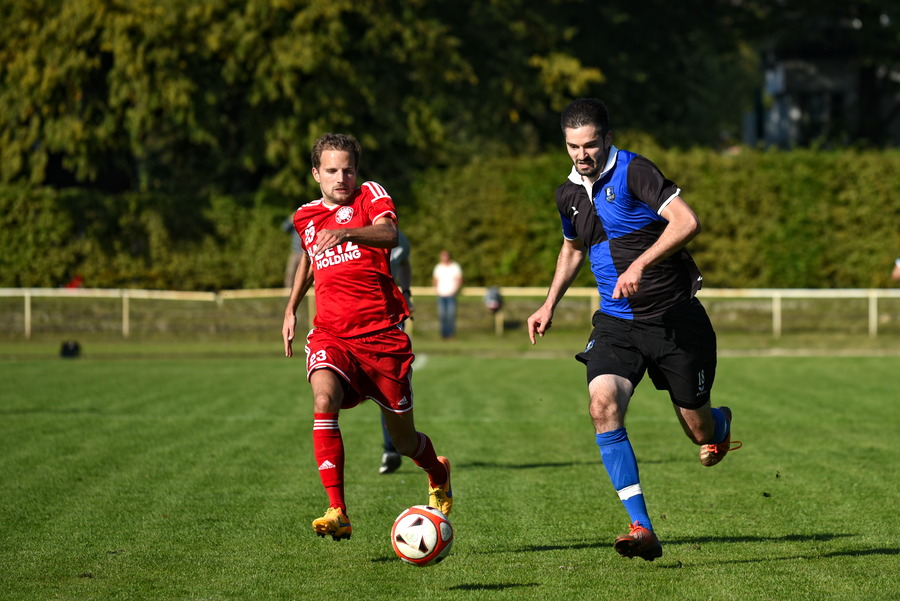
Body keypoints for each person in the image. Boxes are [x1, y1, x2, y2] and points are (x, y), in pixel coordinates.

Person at [526, 98, 741, 562]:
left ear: (606, 137)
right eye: (572, 146)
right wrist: (547, 305)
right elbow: (571, 250)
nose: (582, 155)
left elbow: (687, 221)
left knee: (699, 431)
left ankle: (718, 424)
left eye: (590, 145)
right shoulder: (567, 194)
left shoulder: (635, 171)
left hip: (674, 321)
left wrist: (641, 263)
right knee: (602, 404)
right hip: (616, 324)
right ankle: (642, 526)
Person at [282, 133, 452, 541]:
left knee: (405, 441)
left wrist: (347, 234)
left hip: (382, 338)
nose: (342, 177)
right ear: (315, 174)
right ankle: (337, 509)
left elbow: (389, 235)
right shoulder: (305, 216)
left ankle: (438, 471)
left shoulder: (370, 196)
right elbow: (308, 257)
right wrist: (290, 308)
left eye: (348, 169)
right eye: (332, 170)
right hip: (331, 334)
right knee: (323, 400)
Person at [378, 229, 413, 475]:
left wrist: (407, 292)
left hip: (385, 316)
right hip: (345, 319)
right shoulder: (336, 227)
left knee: (387, 385)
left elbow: (403, 261)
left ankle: (391, 448)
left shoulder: (394, 235)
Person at [432, 250, 463, 339]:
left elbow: (459, 279)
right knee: (442, 316)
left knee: (451, 315)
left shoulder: (455, 267)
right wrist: (436, 289)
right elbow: (435, 280)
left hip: (451, 295)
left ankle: (450, 334)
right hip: (441, 295)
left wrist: (456, 290)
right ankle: (443, 334)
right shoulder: (438, 267)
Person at [282, 216, 304, 289]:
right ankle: (288, 291)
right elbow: (284, 227)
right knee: (290, 273)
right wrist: (291, 218)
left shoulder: (307, 223)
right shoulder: (295, 225)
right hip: (295, 253)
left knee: (304, 274)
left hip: (305, 253)